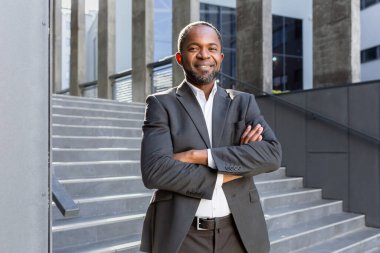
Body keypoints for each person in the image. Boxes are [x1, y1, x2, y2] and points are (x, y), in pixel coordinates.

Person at [140, 21, 282, 253]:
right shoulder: (161, 104)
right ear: (180, 58)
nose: (204, 55)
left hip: (239, 232)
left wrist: (196, 155)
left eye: (211, 48)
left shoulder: (242, 103)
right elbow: (155, 171)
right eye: (194, 48)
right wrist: (237, 163)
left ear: (221, 56)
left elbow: (272, 155)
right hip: (182, 235)